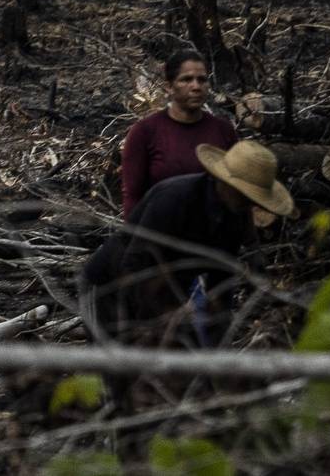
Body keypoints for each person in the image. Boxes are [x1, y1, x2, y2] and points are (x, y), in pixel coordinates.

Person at [79, 140, 295, 349]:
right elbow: (135, 265)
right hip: (110, 285)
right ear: (226, 183)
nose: (250, 204)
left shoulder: (235, 218)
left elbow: (220, 283)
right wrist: (156, 324)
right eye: (245, 196)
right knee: (117, 370)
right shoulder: (174, 198)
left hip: (169, 291)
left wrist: (216, 340)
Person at [118, 51, 237, 216]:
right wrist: (135, 238)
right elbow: (132, 196)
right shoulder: (144, 132)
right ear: (169, 86)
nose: (196, 87)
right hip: (163, 233)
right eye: (186, 80)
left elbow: (239, 191)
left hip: (212, 235)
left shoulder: (223, 130)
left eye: (202, 80)